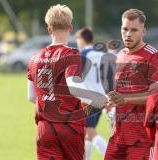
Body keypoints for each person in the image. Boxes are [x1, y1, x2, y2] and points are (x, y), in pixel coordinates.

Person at [104, 8, 158, 159]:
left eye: (134, 30)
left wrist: (125, 99)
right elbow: (120, 91)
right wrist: (110, 99)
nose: (128, 34)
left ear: (143, 31)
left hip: (143, 139)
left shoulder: (154, 56)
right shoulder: (120, 55)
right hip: (118, 136)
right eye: (125, 29)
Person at [27, 4, 85, 160]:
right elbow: (74, 87)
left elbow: (31, 97)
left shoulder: (34, 58)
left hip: (45, 128)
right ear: (70, 28)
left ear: (49, 29)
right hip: (69, 126)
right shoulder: (72, 54)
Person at [75, 27, 116, 160]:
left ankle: (110, 157)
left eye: (77, 40)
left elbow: (76, 78)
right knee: (86, 135)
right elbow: (109, 77)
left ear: (81, 39)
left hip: (87, 98)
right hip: (101, 98)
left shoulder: (82, 54)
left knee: (90, 132)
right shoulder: (102, 54)